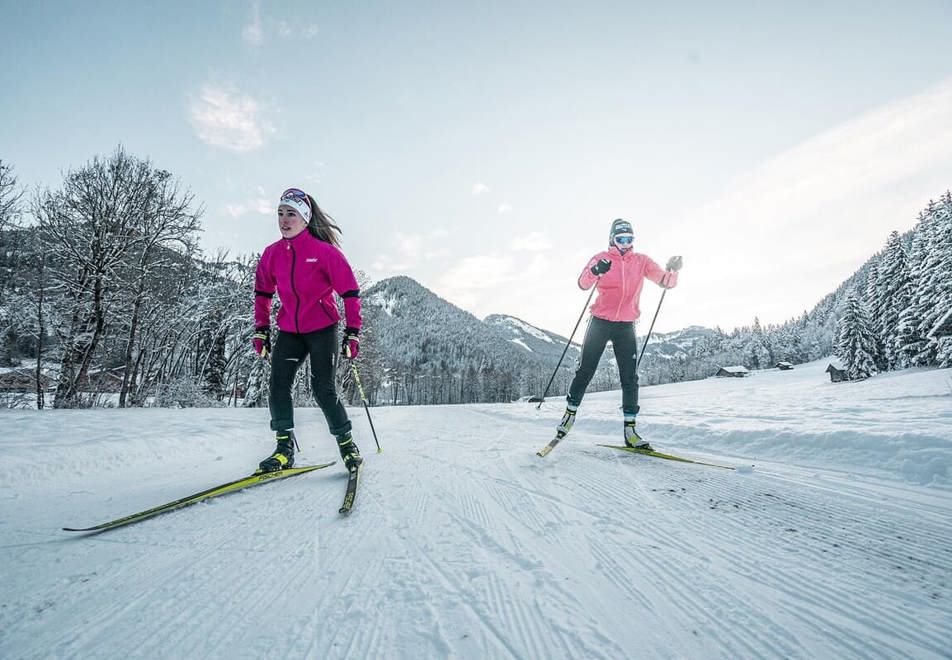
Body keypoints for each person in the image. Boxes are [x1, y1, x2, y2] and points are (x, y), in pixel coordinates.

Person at [252, 187, 364, 474]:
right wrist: (261, 329)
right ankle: (283, 450)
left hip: (322, 328)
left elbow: (350, 293)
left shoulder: (324, 252)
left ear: (305, 218)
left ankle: (348, 447)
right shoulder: (271, 254)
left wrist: (353, 332)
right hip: (290, 329)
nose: (284, 220)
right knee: (278, 385)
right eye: (280, 213)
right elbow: (262, 294)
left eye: (291, 214)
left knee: (323, 388)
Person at [556, 219, 682, 450]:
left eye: (629, 239)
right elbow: (583, 283)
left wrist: (672, 269)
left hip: (626, 325)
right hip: (600, 322)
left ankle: (630, 430)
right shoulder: (602, 258)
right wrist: (596, 270)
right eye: (620, 239)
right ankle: (570, 413)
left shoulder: (641, 261)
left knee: (629, 377)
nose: (625, 244)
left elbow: (665, 282)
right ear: (612, 239)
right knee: (586, 369)